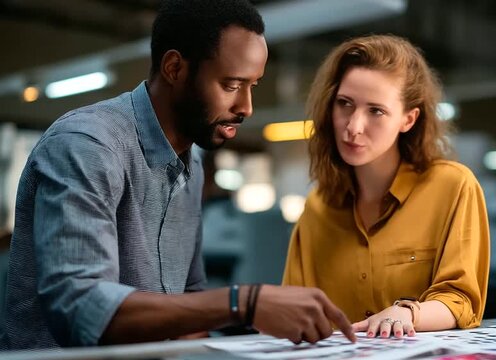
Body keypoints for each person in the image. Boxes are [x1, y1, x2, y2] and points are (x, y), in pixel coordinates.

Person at [0, 0, 355, 350]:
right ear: (174, 68)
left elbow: (189, 304)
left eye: (253, 86)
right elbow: (81, 308)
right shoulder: (87, 146)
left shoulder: (192, 163)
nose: (246, 106)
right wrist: (243, 303)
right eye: (231, 85)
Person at [282, 35, 490, 338]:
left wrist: (406, 313)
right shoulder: (318, 206)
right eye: (344, 104)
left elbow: (462, 301)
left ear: (408, 119)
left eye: (375, 111)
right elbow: (294, 310)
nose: (353, 126)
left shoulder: (453, 187)